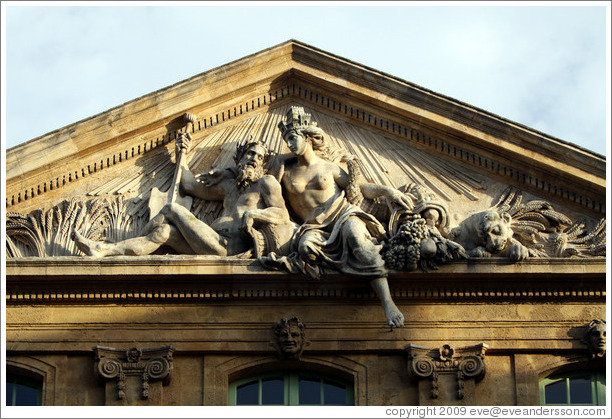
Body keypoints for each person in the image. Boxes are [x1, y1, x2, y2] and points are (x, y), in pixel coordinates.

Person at [262, 106, 413, 328]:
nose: (290, 144)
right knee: (305, 248)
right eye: (287, 140)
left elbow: (359, 188)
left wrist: (387, 191)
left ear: (307, 137)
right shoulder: (285, 170)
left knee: (356, 238)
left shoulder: (329, 167)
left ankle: (388, 302)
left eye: (293, 138)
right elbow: (266, 188)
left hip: (341, 213)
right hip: (312, 225)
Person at [71, 134, 293, 258]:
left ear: (263, 164)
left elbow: (281, 213)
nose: (253, 159)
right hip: (208, 239)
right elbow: (188, 185)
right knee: (164, 232)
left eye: (259, 157)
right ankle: (104, 250)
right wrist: (182, 154)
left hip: (228, 245)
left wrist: (255, 214)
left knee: (172, 210)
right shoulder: (229, 186)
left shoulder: (266, 182)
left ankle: (128, 238)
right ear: (240, 158)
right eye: (250, 154)